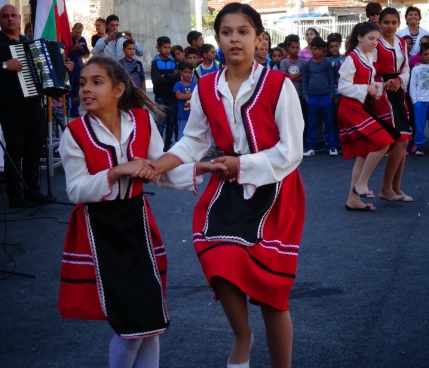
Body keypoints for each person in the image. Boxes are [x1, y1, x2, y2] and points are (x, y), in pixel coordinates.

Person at [147, 4, 306, 367]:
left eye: (243, 31)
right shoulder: (206, 87)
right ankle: (242, 337)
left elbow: (291, 151)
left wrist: (243, 164)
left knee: (270, 292)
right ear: (216, 39)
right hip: (228, 188)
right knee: (219, 257)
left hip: (276, 190)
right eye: (226, 32)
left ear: (259, 38)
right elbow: (192, 141)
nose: (235, 38)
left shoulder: (279, 85)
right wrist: (158, 165)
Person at [58, 56, 178, 368]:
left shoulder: (140, 119)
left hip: (137, 223)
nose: (86, 89)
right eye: (83, 83)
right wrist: (116, 172)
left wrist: (203, 167)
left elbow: (159, 166)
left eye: (97, 82)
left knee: (149, 324)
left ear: (118, 89)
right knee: (132, 326)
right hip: (101, 230)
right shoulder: (74, 132)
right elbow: (76, 190)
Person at [0, 5, 73, 207]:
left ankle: (32, 190)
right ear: (0, 20)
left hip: (34, 102)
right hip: (10, 103)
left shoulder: (29, 42)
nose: (10, 19)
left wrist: (62, 68)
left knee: (34, 148)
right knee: (15, 149)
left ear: (19, 19)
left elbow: (43, 70)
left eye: (13, 16)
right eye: (5, 17)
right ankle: (15, 195)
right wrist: (4, 65)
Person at [338, 22, 399, 211]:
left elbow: (368, 83)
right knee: (383, 142)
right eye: (371, 38)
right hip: (350, 108)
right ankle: (361, 183)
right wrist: (368, 89)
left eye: (377, 39)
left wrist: (379, 87)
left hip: (359, 106)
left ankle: (353, 199)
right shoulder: (351, 59)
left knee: (363, 154)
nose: (375, 42)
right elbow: (342, 87)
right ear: (359, 37)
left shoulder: (366, 56)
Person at [375, 7, 413, 202]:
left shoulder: (400, 42)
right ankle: (385, 188)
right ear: (380, 23)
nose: (390, 26)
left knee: (404, 140)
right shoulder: (374, 42)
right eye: (386, 22)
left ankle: (395, 188)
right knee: (399, 140)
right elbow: (367, 70)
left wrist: (399, 80)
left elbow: (406, 68)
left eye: (393, 23)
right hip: (381, 94)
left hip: (398, 91)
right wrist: (383, 83)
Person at [302, 36, 337, 156]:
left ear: (323, 50)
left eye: (319, 49)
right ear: (311, 49)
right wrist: (306, 96)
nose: (316, 51)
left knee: (329, 122)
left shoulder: (327, 63)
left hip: (326, 97)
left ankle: (332, 146)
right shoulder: (307, 65)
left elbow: (331, 80)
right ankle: (310, 147)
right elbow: (305, 80)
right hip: (311, 98)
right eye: (314, 49)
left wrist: (331, 94)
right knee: (312, 123)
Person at [151, 36, 179, 150]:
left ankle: (167, 146)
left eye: (169, 47)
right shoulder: (155, 62)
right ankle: (158, 147)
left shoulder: (173, 62)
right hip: (160, 97)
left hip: (172, 97)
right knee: (161, 123)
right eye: (164, 47)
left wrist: (166, 75)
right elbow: (156, 80)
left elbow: (177, 78)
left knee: (171, 123)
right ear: (158, 48)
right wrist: (170, 75)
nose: (167, 50)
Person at [280, 34, 307, 144]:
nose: (295, 50)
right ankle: (290, 142)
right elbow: (284, 78)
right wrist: (299, 73)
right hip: (288, 95)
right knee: (289, 119)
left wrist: (290, 77)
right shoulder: (284, 62)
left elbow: (304, 79)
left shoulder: (303, 62)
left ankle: (302, 141)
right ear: (287, 48)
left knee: (302, 119)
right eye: (292, 47)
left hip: (300, 94)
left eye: (297, 47)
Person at [327, 37, 344, 150]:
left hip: (343, 91)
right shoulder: (327, 61)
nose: (334, 49)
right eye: (331, 47)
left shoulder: (345, 58)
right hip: (332, 92)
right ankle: (336, 143)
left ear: (339, 46)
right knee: (333, 118)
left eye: (336, 46)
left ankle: (344, 142)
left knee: (342, 118)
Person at [69, 23, 90, 117]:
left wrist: (81, 50)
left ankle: (74, 110)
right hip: (69, 68)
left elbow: (87, 54)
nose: (78, 34)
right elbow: (63, 51)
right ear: (72, 29)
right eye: (76, 32)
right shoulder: (67, 38)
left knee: (77, 89)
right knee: (69, 89)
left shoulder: (82, 40)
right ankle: (67, 109)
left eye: (80, 33)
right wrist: (74, 48)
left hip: (79, 68)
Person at [173, 62, 197, 141]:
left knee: (193, 136)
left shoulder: (195, 85)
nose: (188, 74)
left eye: (190, 72)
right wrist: (193, 94)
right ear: (181, 72)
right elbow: (179, 96)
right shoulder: (178, 84)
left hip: (193, 116)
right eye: (185, 72)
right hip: (182, 115)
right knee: (182, 137)